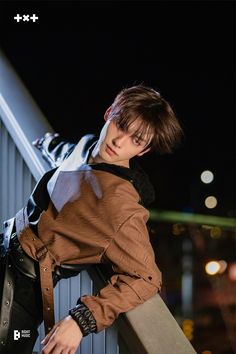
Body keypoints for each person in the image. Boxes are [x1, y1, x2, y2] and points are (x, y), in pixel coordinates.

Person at [0, 84, 183, 354]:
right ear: (109, 113)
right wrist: (48, 144)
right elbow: (68, 156)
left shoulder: (121, 206)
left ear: (143, 151)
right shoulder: (88, 146)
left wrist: (81, 319)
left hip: (21, 296)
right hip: (6, 248)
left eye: (136, 140)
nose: (119, 142)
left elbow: (146, 277)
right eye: (121, 124)